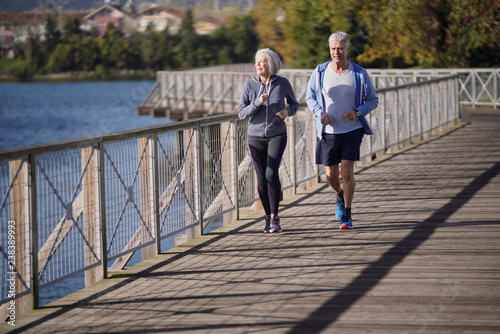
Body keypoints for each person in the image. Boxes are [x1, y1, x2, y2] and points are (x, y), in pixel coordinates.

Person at [306, 32, 378, 230]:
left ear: (347, 49)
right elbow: (309, 97)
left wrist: (357, 112)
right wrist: (319, 113)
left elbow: (373, 100)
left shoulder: (359, 73)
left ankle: (347, 214)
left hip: (352, 130)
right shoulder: (320, 72)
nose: (336, 52)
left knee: (347, 172)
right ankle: (339, 195)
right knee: (330, 174)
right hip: (328, 131)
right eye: (332, 48)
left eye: (340, 48)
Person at [238, 48, 299, 233]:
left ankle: (275, 216)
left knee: (271, 174)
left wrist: (288, 111)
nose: (257, 64)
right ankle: (267, 217)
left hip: (276, 134)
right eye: (256, 60)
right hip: (255, 137)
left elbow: (295, 103)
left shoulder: (282, 83)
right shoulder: (250, 85)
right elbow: (241, 113)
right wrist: (258, 102)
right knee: (261, 178)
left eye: (262, 61)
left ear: (270, 63)